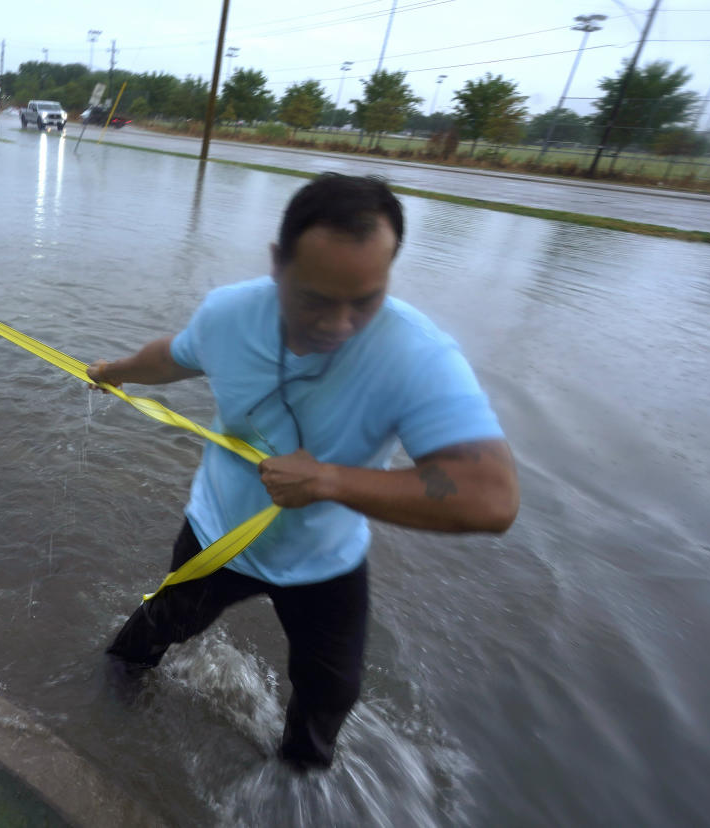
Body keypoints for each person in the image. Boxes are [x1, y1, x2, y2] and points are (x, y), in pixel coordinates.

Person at [87, 173, 519, 770]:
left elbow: (491, 495)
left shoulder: (416, 354)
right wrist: (114, 371)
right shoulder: (230, 315)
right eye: (314, 298)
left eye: (364, 300)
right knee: (151, 633)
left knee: (329, 694)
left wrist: (330, 482)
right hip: (220, 535)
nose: (338, 325)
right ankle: (104, 721)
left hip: (327, 559)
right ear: (277, 264)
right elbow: (175, 355)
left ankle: (296, 783)